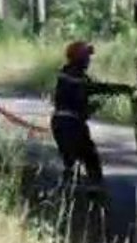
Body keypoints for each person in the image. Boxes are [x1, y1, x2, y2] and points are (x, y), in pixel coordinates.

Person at [51, 41, 132, 187]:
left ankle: (69, 192)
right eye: (86, 57)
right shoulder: (74, 76)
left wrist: (90, 107)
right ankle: (94, 194)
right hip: (72, 125)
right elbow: (94, 88)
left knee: (71, 160)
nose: (89, 60)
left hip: (61, 124)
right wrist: (120, 89)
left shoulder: (67, 73)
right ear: (79, 59)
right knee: (90, 159)